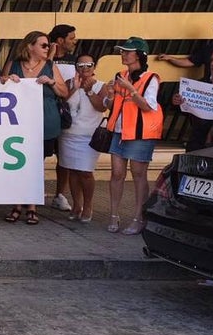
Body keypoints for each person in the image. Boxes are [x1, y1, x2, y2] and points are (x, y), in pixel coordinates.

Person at [1, 31, 68, 225]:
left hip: (44, 120)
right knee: (19, 163)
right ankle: (17, 203)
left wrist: (52, 82)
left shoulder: (50, 66)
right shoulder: (14, 64)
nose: (49, 49)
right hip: (18, 121)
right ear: (30, 46)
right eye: (44, 45)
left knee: (36, 164)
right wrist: (7, 81)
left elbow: (64, 92)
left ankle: (32, 206)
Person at [98, 37, 161, 236]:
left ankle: (138, 218)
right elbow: (112, 105)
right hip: (119, 131)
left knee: (138, 174)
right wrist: (108, 95)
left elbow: (147, 105)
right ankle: (114, 215)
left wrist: (131, 89)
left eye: (127, 51)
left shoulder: (151, 78)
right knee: (116, 173)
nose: (123, 54)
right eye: (122, 51)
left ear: (140, 55)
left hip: (140, 132)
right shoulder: (120, 75)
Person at [57, 55, 107, 224]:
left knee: (85, 172)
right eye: (81, 65)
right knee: (72, 170)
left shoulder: (101, 86)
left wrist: (89, 91)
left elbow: (101, 106)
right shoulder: (70, 82)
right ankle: (76, 205)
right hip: (69, 134)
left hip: (88, 136)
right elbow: (62, 100)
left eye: (88, 65)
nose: (85, 68)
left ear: (94, 67)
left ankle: (88, 205)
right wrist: (75, 87)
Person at [47, 23, 79, 212]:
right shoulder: (43, 58)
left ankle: (60, 194)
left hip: (65, 114)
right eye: (71, 38)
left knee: (63, 157)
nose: (74, 41)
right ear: (60, 40)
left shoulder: (73, 61)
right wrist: (50, 55)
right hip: (45, 113)